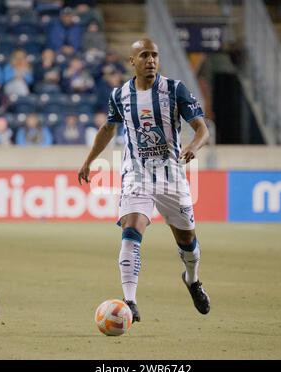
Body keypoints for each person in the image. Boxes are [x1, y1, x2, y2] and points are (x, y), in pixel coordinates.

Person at [78, 38, 210, 323]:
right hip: (136, 176)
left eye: (155, 55)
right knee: (131, 230)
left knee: (187, 240)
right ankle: (129, 300)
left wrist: (194, 146)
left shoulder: (176, 90)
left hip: (172, 177)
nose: (151, 60)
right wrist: (89, 161)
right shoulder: (120, 95)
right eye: (144, 55)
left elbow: (202, 128)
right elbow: (108, 128)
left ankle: (192, 279)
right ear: (132, 62)